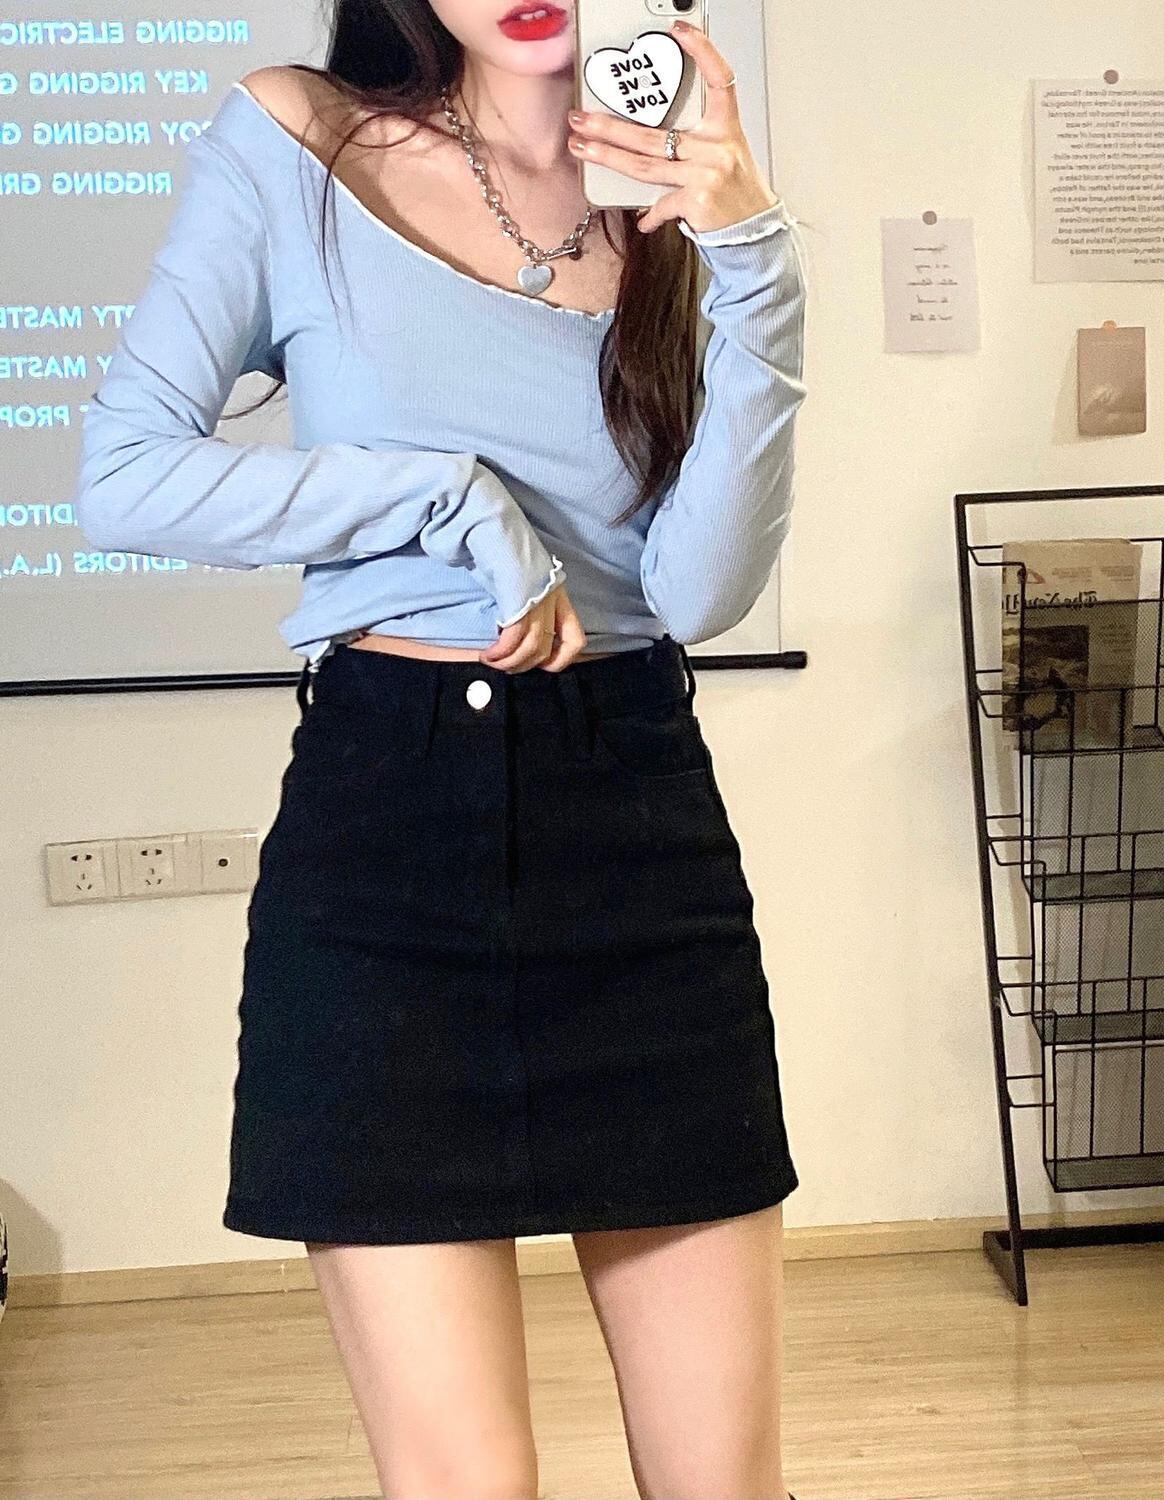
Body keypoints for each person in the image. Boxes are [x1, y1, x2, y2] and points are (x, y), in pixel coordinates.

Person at [71, 1, 808, 1495]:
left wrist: (755, 258)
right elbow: (124, 478)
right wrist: (443, 497)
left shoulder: (673, 205)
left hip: (634, 826)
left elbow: (697, 593)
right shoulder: (298, 139)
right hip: (386, 843)